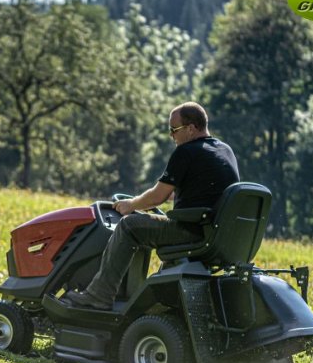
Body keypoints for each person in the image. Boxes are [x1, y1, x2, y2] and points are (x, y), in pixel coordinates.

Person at [64, 101, 239, 310]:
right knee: (144, 224)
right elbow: (201, 191)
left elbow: (158, 196)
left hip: (192, 231)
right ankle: (146, 299)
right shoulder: (224, 150)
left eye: (174, 130)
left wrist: (131, 204)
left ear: (191, 128)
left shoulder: (187, 151)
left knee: (129, 226)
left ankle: (99, 295)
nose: (171, 136)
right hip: (214, 233)